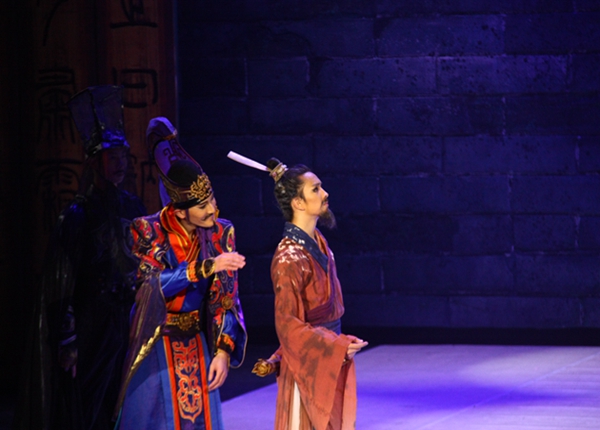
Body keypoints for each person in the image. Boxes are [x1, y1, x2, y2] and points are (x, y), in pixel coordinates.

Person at [13, 85, 147, 430]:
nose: (119, 164)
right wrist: (68, 340)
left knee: (124, 401)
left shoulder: (132, 207)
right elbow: (61, 284)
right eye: (111, 157)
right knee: (88, 403)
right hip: (91, 324)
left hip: (125, 321)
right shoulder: (77, 216)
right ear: (94, 161)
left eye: (123, 156)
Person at [114, 117, 247, 430]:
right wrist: (205, 267)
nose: (212, 210)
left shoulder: (220, 232)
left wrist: (223, 351)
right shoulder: (148, 230)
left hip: (197, 341)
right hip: (156, 340)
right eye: (202, 206)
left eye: (212, 199)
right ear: (179, 211)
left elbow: (226, 298)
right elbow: (148, 285)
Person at [228, 153, 367, 430]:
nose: (325, 194)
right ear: (298, 203)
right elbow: (288, 326)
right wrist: (335, 345)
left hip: (330, 355)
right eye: (316, 189)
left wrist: (338, 345)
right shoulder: (288, 257)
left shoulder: (318, 242)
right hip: (308, 362)